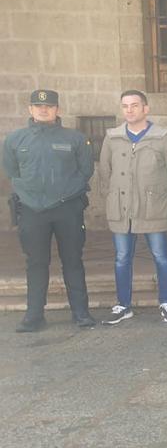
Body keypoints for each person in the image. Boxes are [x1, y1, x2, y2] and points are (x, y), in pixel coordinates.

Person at [3, 89, 96, 332]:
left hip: (67, 209)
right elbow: (12, 172)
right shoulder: (14, 140)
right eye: (38, 106)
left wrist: (66, 194)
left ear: (58, 110)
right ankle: (34, 316)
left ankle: (81, 313)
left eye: (49, 106)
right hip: (33, 210)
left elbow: (85, 170)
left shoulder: (75, 139)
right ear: (30, 110)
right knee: (35, 263)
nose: (43, 110)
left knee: (73, 261)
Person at [99, 90, 167, 325]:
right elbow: (105, 171)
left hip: (152, 208)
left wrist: (158, 194)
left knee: (161, 255)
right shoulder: (112, 137)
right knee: (122, 257)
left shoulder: (163, 137)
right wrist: (112, 196)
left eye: (135, 105)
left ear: (146, 108)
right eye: (125, 106)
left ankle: (166, 302)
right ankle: (123, 305)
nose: (130, 110)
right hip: (121, 208)